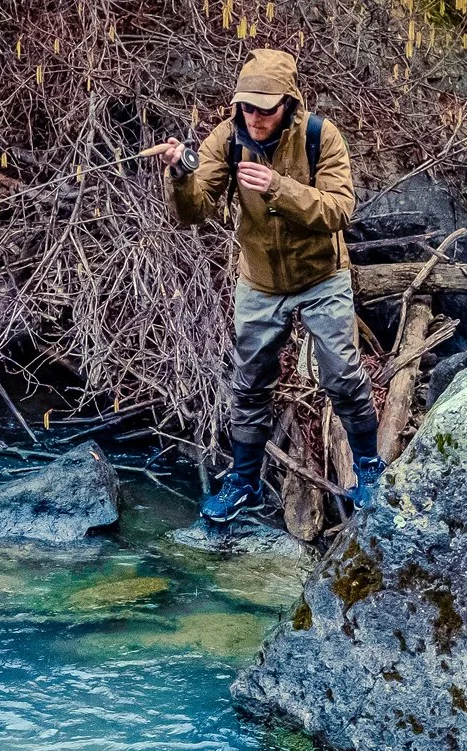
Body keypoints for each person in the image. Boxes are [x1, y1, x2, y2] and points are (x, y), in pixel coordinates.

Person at [152, 48, 380, 524]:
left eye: (266, 107)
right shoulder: (228, 138)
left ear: (289, 104)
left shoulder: (321, 136)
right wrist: (178, 173)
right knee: (250, 383)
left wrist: (278, 187)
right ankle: (244, 482)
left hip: (322, 277)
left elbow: (339, 211)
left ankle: (368, 467)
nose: (255, 117)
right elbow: (194, 212)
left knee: (343, 375)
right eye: (248, 106)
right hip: (259, 281)